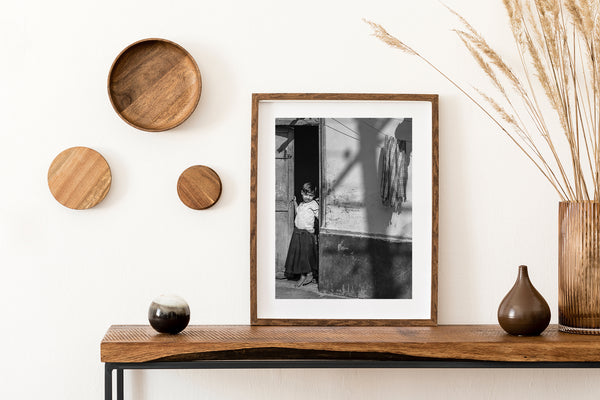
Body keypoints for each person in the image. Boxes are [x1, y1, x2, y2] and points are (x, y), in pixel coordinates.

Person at [283, 182, 319, 287]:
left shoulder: (314, 204)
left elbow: (319, 217)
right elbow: (298, 212)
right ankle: (303, 274)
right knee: (299, 255)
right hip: (297, 232)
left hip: (306, 233)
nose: (308, 197)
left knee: (305, 256)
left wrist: (316, 231)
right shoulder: (302, 204)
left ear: (314, 195)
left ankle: (307, 274)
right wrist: (295, 203)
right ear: (301, 193)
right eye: (306, 194)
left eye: (311, 195)